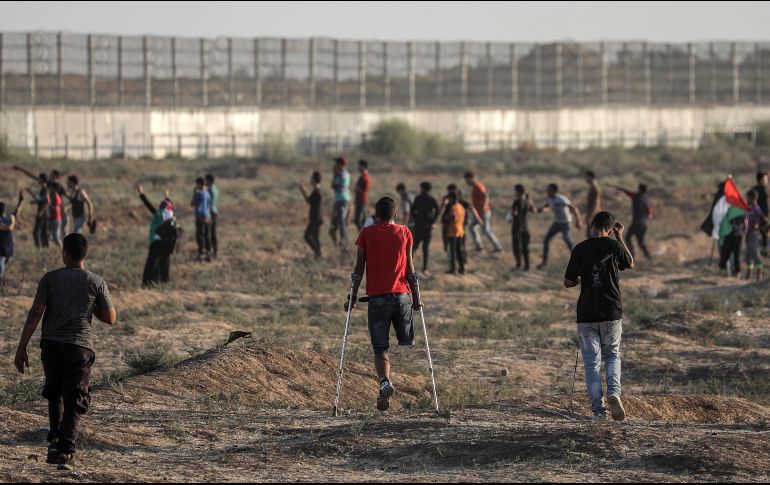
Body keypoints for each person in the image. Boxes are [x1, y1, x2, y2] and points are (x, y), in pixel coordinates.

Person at [14, 233, 117, 471]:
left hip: (51, 344)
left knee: (55, 392)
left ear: (65, 253)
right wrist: (91, 308)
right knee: (76, 398)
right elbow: (111, 318)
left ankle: (53, 440)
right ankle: (65, 451)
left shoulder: (49, 279)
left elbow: (35, 313)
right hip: (79, 347)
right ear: (85, 254)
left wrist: (21, 348)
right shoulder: (95, 281)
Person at [348, 196, 423, 412]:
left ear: (375, 215)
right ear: (395, 215)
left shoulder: (366, 233)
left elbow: (358, 270)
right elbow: (411, 269)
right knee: (405, 341)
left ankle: (384, 381)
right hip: (402, 298)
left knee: (380, 348)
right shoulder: (404, 232)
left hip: (378, 299)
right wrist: (417, 299)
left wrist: (352, 297)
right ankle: (392, 381)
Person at [564, 211, 634, 421]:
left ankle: (598, 412)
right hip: (611, 311)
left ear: (592, 224)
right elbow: (630, 263)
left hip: (587, 313)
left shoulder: (580, 248)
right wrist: (620, 238)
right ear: (610, 230)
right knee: (612, 355)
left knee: (591, 363)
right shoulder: (613, 246)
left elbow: (568, 281)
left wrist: (579, 280)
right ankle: (614, 392)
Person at [136, 183, 177, 287]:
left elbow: (148, 205)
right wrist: (167, 196)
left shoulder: (159, 214)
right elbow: (169, 204)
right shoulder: (172, 216)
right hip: (167, 243)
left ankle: (148, 283)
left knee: (151, 263)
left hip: (156, 242)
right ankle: (163, 281)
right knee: (164, 263)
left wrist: (141, 193)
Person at [537, 184, 582, 270]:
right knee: (546, 239)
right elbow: (548, 207)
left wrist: (578, 220)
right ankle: (545, 261)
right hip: (557, 223)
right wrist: (542, 209)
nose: (547, 191)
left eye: (549, 190)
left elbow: (573, 207)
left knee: (566, 238)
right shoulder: (550, 198)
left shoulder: (561, 199)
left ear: (554, 191)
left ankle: (577, 259)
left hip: (566, 223)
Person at [609, 183, 653, 260]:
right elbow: (649, 214)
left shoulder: (636, 196)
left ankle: (633, 253)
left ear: (639, 189)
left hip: (636, 223)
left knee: (627, 237)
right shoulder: (648, 200)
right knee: (641, 242)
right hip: (644, 224)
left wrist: (614, 186)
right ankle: (649, 257)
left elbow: (626, 191)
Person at [464, 172, 503, 252]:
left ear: (470, 178)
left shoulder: (478, 186)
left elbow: (485, 196)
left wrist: (483, 208)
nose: (466, 182)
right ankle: (479, 246)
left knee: (486, 231)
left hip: (483, 213)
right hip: (479, 212)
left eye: (467, 180)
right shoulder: (475, 186)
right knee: (471, 227)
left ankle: (498, 247)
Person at [410, 182, 440, 274]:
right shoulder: (432, 199)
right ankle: (425, 269)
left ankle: (408, 267)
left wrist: (416, 218)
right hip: (428, 226)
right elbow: (438, 211)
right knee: (425, 248)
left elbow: (412, 211)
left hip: (419, 225)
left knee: (414, 246)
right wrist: (433, 221)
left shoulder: (418, 198)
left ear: (422, 188)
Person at [17, 169, 50, 249]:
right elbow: (40, 200)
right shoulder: (43, 189)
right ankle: (45, 249)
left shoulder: (45, 189)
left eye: (39, 178)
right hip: (43, 214)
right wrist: (30, 192)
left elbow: (47, 201)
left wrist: (41, 212)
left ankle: (38, 249)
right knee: (43, 232)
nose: (37, 180)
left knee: (36, 232)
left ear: (42, 180)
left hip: (42, 214)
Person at [0, 192, 24, 285]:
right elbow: (17, 211)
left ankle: (2, 283)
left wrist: (20, 202)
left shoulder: (7, 220)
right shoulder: (9, 219)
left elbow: (7, 227)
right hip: (8, 251)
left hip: (3, 251)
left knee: (1, 270)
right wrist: (20, 202)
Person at [298, 171, 323, 258]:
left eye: (311, 178)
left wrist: (303, 191)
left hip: (315, 219)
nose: (310, 180)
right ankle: (318, 256)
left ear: (314, 180)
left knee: (307, 236)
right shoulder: (317, 191)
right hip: (316, 218)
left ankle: (318, 253)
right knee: (315, 238)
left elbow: (308, 201)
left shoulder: (317, 192)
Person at [511, 184, 535, 271]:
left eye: (516, 191)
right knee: (525, 247)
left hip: (517, 227)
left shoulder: (516, 202)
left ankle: (519, 263)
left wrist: (513, 214)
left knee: (516, 247)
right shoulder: (527, 201)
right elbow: (534, 211)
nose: (515, 193)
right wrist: (530, 200)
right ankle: (527, 265)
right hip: (525, 227)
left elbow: (513, 214)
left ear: (519, 192)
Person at [745, 190, 766, 281]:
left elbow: (764, 219)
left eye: (748, 197)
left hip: (754, 234)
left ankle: (759, 274)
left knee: (755, 253)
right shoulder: (749, 209)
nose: (747, 199)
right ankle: (748, 274)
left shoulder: (756, 209)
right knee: (749, 254)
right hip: (749, 234)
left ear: (753, 198)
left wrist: (759, 225)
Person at [329, 157, 351, 247]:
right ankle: (341, 242)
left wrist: (334, 175)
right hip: (340, 199)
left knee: (341, 221)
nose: (335, 165)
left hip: (342, 199)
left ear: (341, 164)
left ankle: (343, 241)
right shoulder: (342, 173)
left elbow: (334, 185)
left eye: (337, 163)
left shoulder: (342, 174)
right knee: (338, 221)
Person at [191, 177, 213, 262]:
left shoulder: (199, 193)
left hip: (200, 217)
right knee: (207, 236)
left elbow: (192, 203)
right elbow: (209, 205)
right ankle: (208, 254)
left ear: (199, 184)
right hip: (207, 217)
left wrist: (194, 193)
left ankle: (201, 255)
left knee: (200, 236)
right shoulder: (208, 193)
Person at [445, 192, 466, 275]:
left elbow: (454, 218)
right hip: (460, 231)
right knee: (459, 251)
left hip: (453, 231)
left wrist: (447, 218)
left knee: (453, 251)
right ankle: (462, 268)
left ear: (452, 198)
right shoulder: (461, 207)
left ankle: (453, 269)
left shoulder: (453, 208)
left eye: (449, 199)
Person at [720, 212, 744, 278]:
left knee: (725, 253)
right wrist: (743, 232)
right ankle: (737, 273)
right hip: (738, 234)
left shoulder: (727, 212)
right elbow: (745, 222)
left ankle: (724, 271)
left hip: (729, 235)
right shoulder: (739, 212)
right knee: (736, 254)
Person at [753, 171, 768, 256]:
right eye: (765, 178)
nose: (767, 180)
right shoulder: (762, 189)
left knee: (762, 233)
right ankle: (762, 249)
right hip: (761, 215)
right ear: (762, 179)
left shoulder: (755, 188)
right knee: (763, 232)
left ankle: (761, 249)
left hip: (760, 215)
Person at [353, 160, 371, 230]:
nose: (358, 168)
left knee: (358, 220)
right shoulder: (362, 177)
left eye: (359, 166)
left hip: (362, 201)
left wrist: (357, 189)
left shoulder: (366, 178)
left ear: (363, 167)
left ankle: (363, 236)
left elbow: (365, 191)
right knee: (361, 221)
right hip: (359, 201)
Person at [205, 174, 219, 259]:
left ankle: (209, 254)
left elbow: (209, 203)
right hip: (215, 212)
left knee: (208, 234)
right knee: (213, 233)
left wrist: (207, 215)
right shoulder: (215, 189)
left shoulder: (209, 190)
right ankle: (215, 252)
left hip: (210, 213)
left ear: (208, 181)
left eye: (206, 180)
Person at [585, 171, 602, 238]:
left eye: (587, 177)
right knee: (590, 235)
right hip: (593, 214)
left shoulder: (595, 188)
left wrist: (591, 216)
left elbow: (596, 203)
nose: (586, 179)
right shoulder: (592, 187)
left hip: (595, 214)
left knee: (593, 235)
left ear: (591, 177)